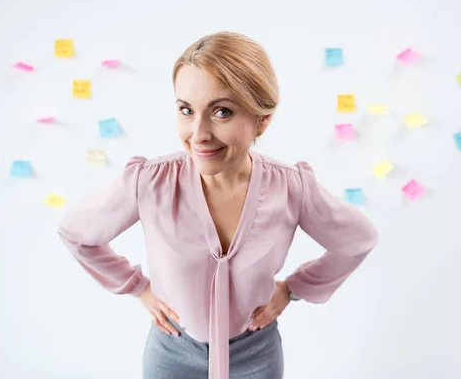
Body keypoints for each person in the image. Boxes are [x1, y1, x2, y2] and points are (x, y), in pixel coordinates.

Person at [57, 31, 379, 379]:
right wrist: (138, 286)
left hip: (255, 354)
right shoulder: (150, 183)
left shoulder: (290, 187)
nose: (199, 134)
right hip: (171, 352)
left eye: (221, 112)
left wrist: (294, 288)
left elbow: (357, 239)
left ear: (262, 119)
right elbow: (75, 232)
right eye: (186, 110)